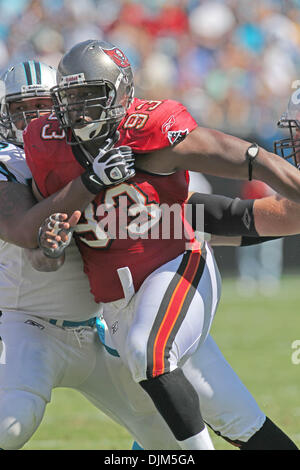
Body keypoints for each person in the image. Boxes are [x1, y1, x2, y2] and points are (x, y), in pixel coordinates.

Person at [1, 61, 297, 452]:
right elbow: (32, 240)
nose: (32, 120)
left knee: (190, 423)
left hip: (109, 323)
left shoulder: (123, 138)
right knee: (12, 424)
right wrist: (89, 183)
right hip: (51, 322)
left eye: (42, 106)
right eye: (20, 109)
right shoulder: (20, 164)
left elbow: (193, 215)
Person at [236, 180, 284, 295]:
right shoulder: (249, 176)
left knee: (270, 252)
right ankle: (248, 279)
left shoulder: (273, 175)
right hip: (249, 216)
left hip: (271, 217)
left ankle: (269, 279)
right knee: (248, 250)